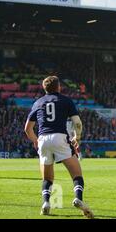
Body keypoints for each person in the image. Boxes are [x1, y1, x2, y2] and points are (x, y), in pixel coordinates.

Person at [24, 76, 94, 218]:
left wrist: (35, 141)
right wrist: (77, 137)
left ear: (45, 88)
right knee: (77, 175)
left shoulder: (38, 102)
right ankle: (78, 198)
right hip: (59, 137)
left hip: (43, 138)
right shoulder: (65, 100)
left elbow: (27, 128)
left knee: (47, 178)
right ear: (58, 87)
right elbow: (77, 122)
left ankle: (46, 203)